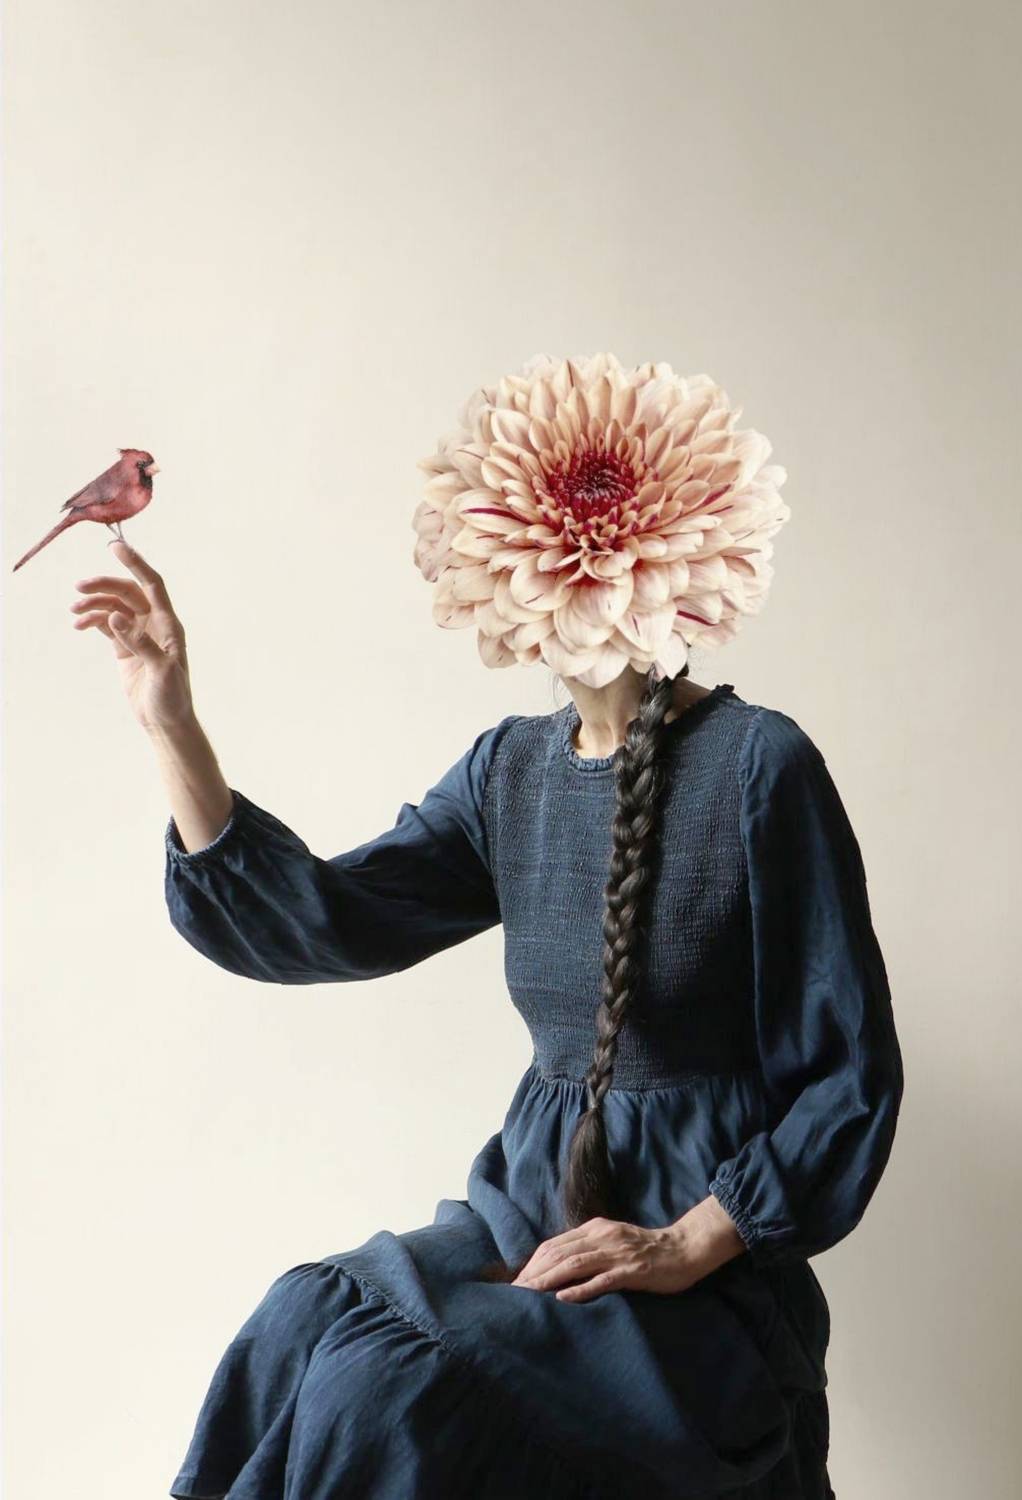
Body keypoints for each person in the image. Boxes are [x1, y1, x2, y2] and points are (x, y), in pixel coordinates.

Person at [74, 355, 904, 1498]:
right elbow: (326, 921)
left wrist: (680, 1244)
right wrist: (171, 721)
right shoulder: (509, 773)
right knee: (298, 1324)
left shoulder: (760, 768)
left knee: (383, 1395)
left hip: (704, 1281)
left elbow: (849, 1080)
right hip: (525, 1215)